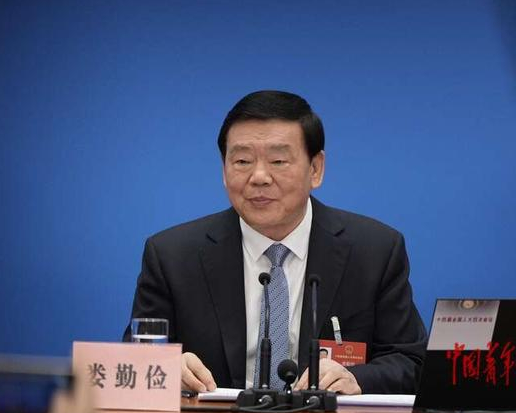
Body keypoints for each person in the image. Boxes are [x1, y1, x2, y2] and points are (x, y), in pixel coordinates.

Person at [123, 90, 427, 395]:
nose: (259, 176)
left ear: (316, 169)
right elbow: (132, 363)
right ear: (224, 169)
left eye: (278, 161)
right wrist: (164, 368)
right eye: (242, 161)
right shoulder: (172, 256)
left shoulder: (374, 251)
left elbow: (411, 361)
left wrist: (357, 378)